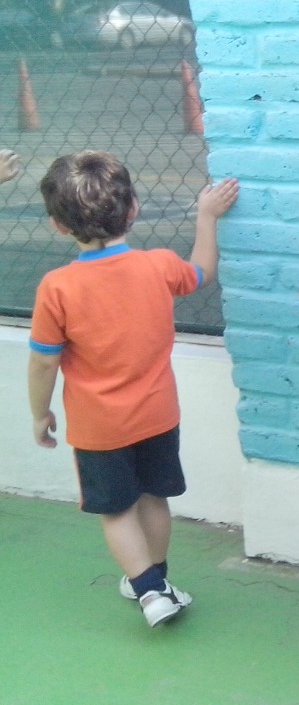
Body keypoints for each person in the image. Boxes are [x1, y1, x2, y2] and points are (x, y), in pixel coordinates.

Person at [27, 151, 239, 627]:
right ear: (134, 209)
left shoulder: (57, 287)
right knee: (154, 498)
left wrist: (40, 413)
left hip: (99, 428)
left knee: (117, 511)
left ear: (58, 226)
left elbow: (43, 362)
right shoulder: (159, 265)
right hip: (158, 416)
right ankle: (156, 579)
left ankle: (148, 591)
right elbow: (202, 270)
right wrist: (207, 216)